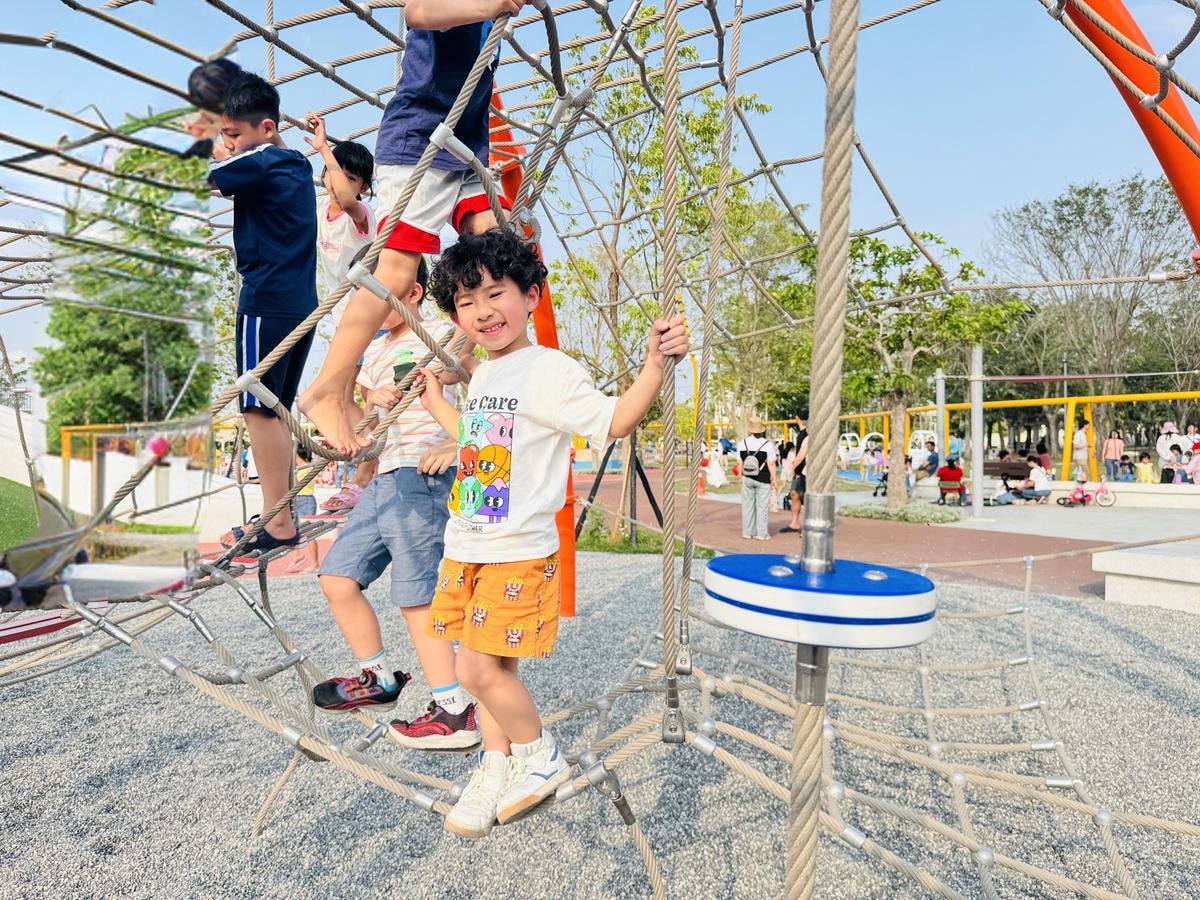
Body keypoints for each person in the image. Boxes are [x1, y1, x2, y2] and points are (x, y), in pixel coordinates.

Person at [417, 228, 688, 838]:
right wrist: (438, 399)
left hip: (516, 551)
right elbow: (479, 444)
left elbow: (614, 420)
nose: (482, 311)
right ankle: (495, 765)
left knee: (472, 671)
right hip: (469, 545)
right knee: (495, 670)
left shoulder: (550, 370)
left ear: (532, 294)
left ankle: (539, 757)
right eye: (465, 301)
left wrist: (652, 365)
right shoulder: (486, 374)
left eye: (496, 292)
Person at [299, 0, 530, 455]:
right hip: (419, 142)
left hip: (467, 149)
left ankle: (464, 355)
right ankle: (326, 389)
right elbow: (418, 12)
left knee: (501, 258)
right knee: (397, 272)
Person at [310, 260, 481, 749]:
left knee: (415, 593)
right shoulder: (375, 355)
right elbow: (368, 427)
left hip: (422, 477)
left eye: (385, 294)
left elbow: (468, 376)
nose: (373, 305)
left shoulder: (442, 334)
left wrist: (454, 446)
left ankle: (454, 707)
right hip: (384, 473)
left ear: (415, 292)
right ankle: (378, 679)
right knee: (337, 577)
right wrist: (366, 401)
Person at [199, 71, 318, 552]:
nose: (229, 144)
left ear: (265, 128)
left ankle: (279, 520)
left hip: (265, 300)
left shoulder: (261, 162)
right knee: (274, 409)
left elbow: (205, 178)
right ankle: (282, 511)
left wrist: (209, 142)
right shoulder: (293, 162)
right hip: (299, 304)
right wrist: (231, 139)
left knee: (256, 409)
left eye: (234, 134)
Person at [304, 113, 381, 514]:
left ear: (364, 187)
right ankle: (366, 464)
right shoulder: (319, 207)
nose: (340, 184)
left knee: (370, 394)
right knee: (343, 394)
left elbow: (348, 201)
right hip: (341, 320)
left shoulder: (362, 217)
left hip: (370, 318)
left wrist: (323, 148)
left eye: (352, 178)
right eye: (336, 175)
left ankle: (366, 475)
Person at [737, 416, 778, 541]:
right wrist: (774, 479)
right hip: (763, 478)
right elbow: (771, 463)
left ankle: (747, 532)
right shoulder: (767, 444)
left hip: (747, 477)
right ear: (761, 430)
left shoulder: (742, 443)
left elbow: (740, 463)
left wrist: (740, 476)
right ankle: (761, 533)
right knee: (762, 506)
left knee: (747, 505)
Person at [284, 446, 321, 575]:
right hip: (297, 499)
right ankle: (297, 554)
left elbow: (297, 484)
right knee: (288, 529)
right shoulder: (300, 468)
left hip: (305, 500)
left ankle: (315, 563)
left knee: (309, 533)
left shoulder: (307, 468)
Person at [779, 413, 808, 533]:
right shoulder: (801, 434)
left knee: (809, 498)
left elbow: (802, 455)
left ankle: (810, 526)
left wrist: (796, 467)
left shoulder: (809, 434)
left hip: (807, 470)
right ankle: (794, 523)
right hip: (799, 470)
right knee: (794, 494)